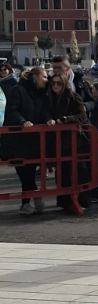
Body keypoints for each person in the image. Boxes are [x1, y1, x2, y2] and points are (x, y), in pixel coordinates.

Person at [4, 64, 50, 214]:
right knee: (24, 171)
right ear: (35, 77)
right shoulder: (17, 90)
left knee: (29, 171)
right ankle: (32, 196)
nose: (47, 79)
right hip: (17, 141)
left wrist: (49, 119)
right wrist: (22, 121)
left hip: (34, 140)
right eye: (44, 76)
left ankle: (27, 202)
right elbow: (12, 111)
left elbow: (44, 112)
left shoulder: (42, 94)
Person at [46, 70, 89, 214]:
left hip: (75, 139)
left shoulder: (73, 97)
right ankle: (65, 202)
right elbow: (45, 112)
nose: (55, 86)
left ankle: (81, 200)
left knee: (79, 170)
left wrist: (66, 119)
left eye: (59, 83)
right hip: (58, 141)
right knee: (62, 172)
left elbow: (82, 115)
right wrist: (49, 119)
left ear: (64, 84)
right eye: (53, 83)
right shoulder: (49, 98)